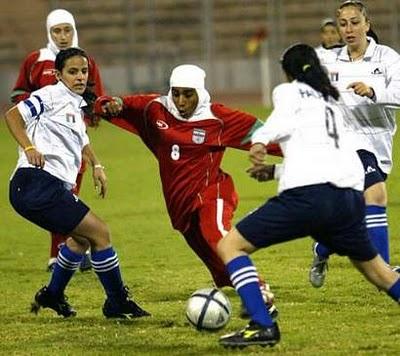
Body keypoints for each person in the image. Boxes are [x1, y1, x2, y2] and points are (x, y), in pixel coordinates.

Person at [216, 43, 400, 349]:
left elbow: (280, 119)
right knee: (380, 274)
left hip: (308, 198)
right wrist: (276, 172)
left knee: (231, 246)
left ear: (287, 72)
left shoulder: (289, 92)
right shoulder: (333, 98)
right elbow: (324, 154)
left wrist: (260, 140)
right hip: (348, 199)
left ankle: (262, 326)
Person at [94, 64, 282, 318]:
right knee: (220, 270)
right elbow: (113, 106)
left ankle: (260, 295)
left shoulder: (218, 118)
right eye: (176, 93)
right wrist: (109, 103)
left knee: (220, 237)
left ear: (200, 92)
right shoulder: (154, 109)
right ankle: (245, 290)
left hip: (212, 193)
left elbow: (268, 134)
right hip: (180, 206)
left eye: (188, 94)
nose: (181, 101)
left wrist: (309, 152)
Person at [5, 47, 149, 319]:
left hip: (46, 187)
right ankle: (117, 302)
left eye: (84, 71)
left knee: (80, 240)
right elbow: (12, 115)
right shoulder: (49, 95)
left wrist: (97, 165)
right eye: (73, 72)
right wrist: (29, 147)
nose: (80, 77)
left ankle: (52, 295)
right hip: (34, 182)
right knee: (100, 233)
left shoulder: (74, 104)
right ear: (58, 75)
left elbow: (82, 141)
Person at [309, 0, 400, 288]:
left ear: (367, 24)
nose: (348, 29)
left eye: (354, 22)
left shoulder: (386, 57)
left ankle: (323, 248)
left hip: (379, 142)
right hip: (347, 143)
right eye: (343, 24)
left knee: (352, 217)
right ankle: (386, 274)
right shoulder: (329, 61)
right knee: (375, 193)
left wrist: (373, 90)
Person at [11, 8, 105, 272]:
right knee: (56, 196)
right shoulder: (35, 60)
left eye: (67, 30)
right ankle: (58, 255)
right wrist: (36, 116)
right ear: (48, 32)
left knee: (68, 194)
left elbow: (94, 97)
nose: (63, 36)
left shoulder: (85, 60)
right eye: (57, 31)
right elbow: (18, 96)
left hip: (74, 140)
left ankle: (69, 251)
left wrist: (87, 117)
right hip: (40, 141)